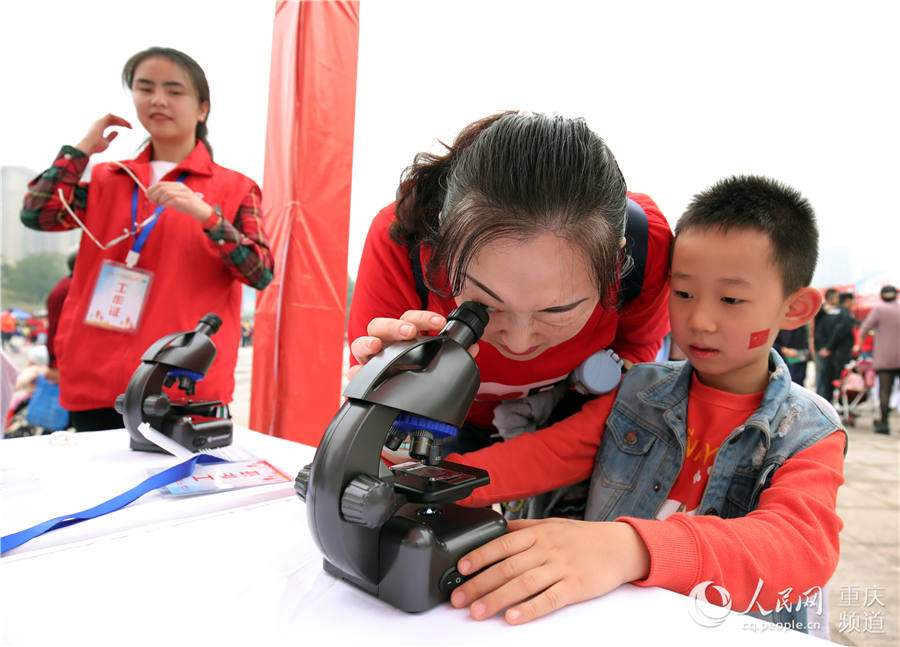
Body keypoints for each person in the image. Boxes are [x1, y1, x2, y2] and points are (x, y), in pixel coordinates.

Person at [445, 175, 846, 633]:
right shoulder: (639, 392)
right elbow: (549, 454)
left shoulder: (809, 432)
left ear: (795, 308)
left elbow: (798, 548)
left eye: (731, 299)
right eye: (684, 293)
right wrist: (432, 483)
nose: (700, 320)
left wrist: (630, 547)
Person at [349, 112, 672, 461]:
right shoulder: (402, 241)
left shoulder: (648, 244)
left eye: (556, 310)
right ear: (443, 240)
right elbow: (377, 449)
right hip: (443, 428)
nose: (518, 344)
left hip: (567, 425)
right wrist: (380, 410)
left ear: (614, 263)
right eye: (486, 305)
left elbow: (633, 355)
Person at [20, 47, 273, 432]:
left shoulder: (235, 188)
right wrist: (82, 150)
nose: (158, 100)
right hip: (95, 382)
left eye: (174, 90)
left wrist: (208, 217)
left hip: (184, 385)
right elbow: (37, 214)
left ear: (202, 108)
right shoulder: (107, 178)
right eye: (145, 88)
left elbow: (261, 272)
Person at [854, 285, 900, 434]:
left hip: (884, 357)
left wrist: (858, 346)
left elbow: (865, 328)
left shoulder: (879, 310)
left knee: (885, 390)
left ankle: (884, 423)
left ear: (881, 296)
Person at [813, 288, 855, 402]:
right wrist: (829, 347)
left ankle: (825, 408)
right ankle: (837, 408)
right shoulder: (844, 313)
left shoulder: (825, 313)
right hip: (839, 353)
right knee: (836, 382)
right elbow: (841, 330)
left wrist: (823, 348)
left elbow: (818, 332)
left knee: (826, 383)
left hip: (825, 353)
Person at [44, 250, 77, 384]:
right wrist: (54, 362)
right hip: (64, 357)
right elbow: (56, 328)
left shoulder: (67, 285)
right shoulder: (67, 288)